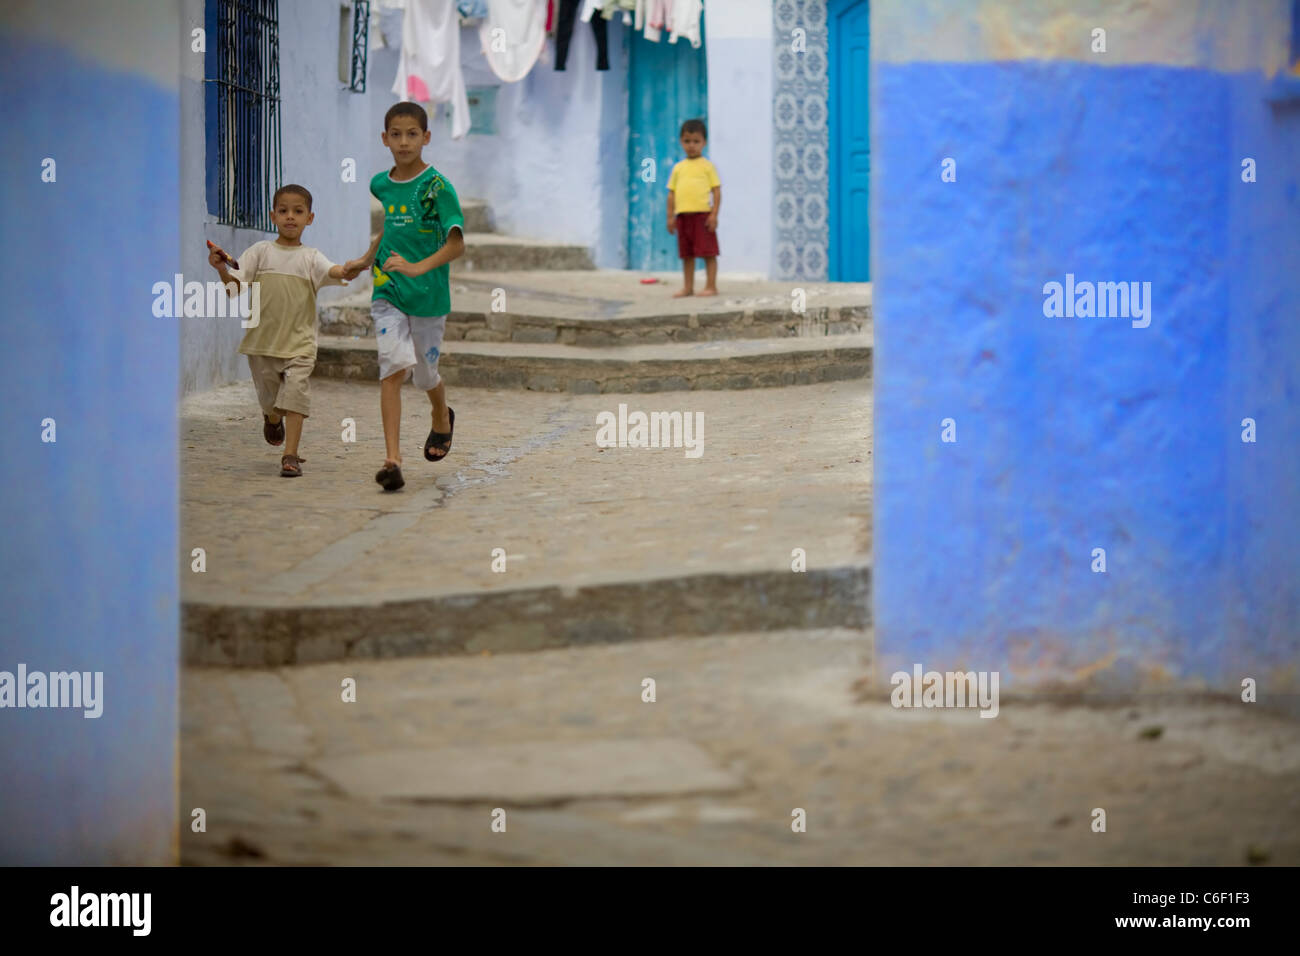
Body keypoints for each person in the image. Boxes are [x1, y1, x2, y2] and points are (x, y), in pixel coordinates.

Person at [208, 184, 366, 477]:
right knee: (271, 402)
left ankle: (290, 454)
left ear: (310, 218)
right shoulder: (260, 252)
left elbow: (334, 271)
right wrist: (221, 270)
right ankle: (270, 417)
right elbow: (234, 289)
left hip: (301, 345)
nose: (290, 217)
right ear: (272, 216)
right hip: (261, 345)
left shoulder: (311, 257)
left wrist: (350, 268)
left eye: (298, 211)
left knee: (296, 395)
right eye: (283, 211)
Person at [354, 102, 466, 492]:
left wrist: (419, 267)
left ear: (426, 138)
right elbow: (391, 224)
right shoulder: (381, 184)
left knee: (424, 376)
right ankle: (392, 459)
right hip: (389, 290)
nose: (404, 142)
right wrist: (368, 258)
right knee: (392, 368)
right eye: (396, 135)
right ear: (385, 139)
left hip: (429, 296)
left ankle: (441, 414)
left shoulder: (437, 188)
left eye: (412, 134)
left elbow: (456, 245)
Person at [667, 118, 721, 297]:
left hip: (702, 217)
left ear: (704, 143)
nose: (691, 146)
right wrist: (670, 217)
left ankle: (711, 286)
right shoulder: (678, 168)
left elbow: (716, 191)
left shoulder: (708, 167)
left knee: (708, 253)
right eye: (687, 141)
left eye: (696, 141)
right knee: (687, 255)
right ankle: (688, 287)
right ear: (681, 142)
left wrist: (714, 214)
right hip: (683, 217)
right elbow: (671, 194)